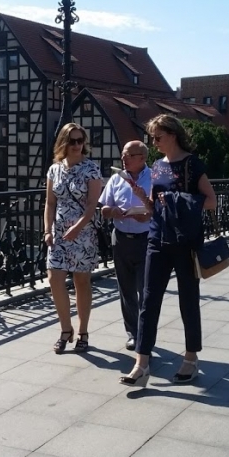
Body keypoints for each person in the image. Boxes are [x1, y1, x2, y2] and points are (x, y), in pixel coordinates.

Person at [119, 114, 217, 388]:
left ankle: (191, 358)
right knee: (149, 301)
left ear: (173, 134)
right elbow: (155, 207)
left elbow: (211, 201)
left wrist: (175, 198)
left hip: (185, 241)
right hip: (157, 238)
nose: (154, 142)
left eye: (158, 137)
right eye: (152, 137)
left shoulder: (192, 164)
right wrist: (142, 197)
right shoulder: (158, 166)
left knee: (188, 299)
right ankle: (141, 364)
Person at [44, 123, 102, 354]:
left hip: (83, 233)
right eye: (73, 141)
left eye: (80, 141)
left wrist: (78, 227)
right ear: (64, 143)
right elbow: (50, 203)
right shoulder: (54, 170)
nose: (77, 145)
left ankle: (83, 332)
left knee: (81, 282)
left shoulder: (91, 169)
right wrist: (47, 230)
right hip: (59, 234)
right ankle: (65, 329)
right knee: (54, 279)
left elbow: (92, 205)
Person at [98, 141, 152, 351]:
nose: (123, 159)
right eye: (123, 155)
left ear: (142, 158)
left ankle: (145, 334)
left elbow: (160, 209)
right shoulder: (116, 179)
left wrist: (147, 215)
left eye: (128, 155)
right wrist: (113, 211)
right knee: (126, 290)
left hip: (146, 239)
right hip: (120, 239)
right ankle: (133, 334)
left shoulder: (154, 177)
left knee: (145, 290)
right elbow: (104, 208)